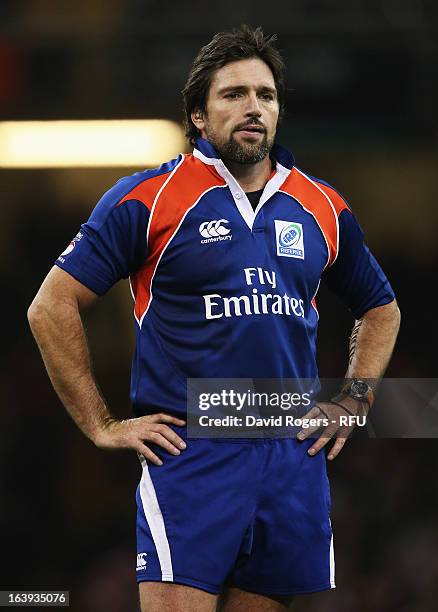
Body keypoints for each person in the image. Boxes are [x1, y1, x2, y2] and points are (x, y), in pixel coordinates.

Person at [28, 25, 400, 612]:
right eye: (234, 95)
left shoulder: (322, 206)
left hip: (291, 457)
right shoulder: (149, 197)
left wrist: (356, 398)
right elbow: (51, 306)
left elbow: (381, 307)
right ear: (198, 116)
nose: (253, 107)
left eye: (266, 95)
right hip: (191, 453)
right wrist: (102, 424)